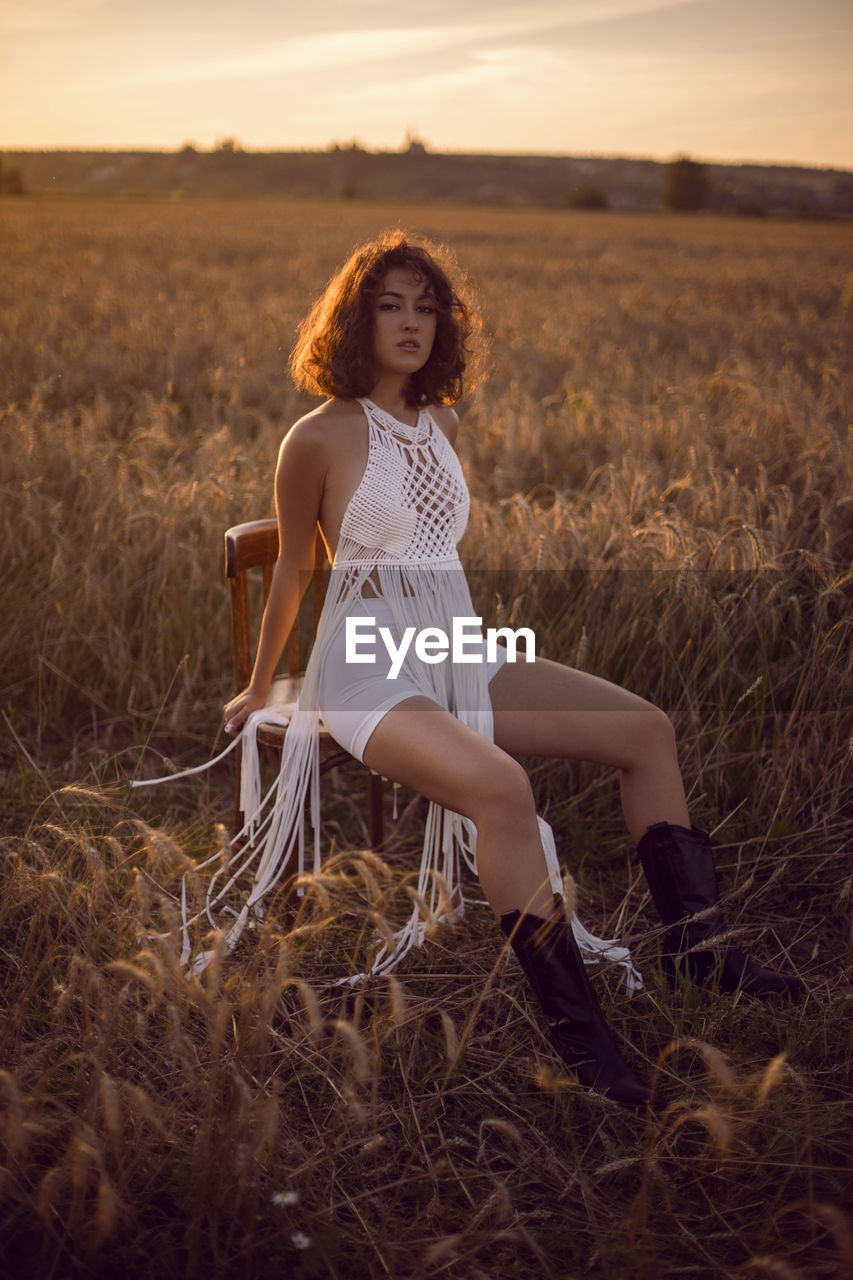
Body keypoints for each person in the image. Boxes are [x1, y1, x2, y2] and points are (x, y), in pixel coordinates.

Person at [221, 230, 803, 1111]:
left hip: (453, 641)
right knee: (501, 790)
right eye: (390, 305)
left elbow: (433, 542)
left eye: (426, 306)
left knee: (645, 732)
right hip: (368, 663)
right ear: (354, 318)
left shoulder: (442, 421)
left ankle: (699, 952)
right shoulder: (316, 437)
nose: (411, 322)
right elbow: (299, 571)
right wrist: (263, 685)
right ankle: (584, 1044)